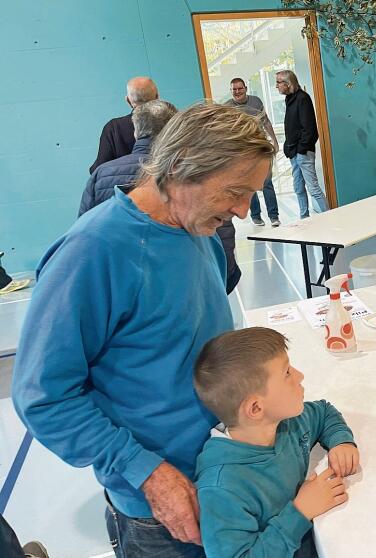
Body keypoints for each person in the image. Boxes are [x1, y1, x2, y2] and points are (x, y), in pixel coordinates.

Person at [13, 103, 275, 557]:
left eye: (251, 193)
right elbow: (43, 396)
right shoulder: (94, 251)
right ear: (178, 168)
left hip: (224, 478)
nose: (241, 209)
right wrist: (147, 472)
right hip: (162, 509)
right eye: (235, 191)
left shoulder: (200, 235)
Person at [193, 327, 358, 558]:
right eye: (287, 373)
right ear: (256, 408)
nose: (300, 375)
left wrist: (341, 441)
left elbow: (323, 412)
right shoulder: (222, 488)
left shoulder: (285, 423)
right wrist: (300, 512)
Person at [79, 99, 242, 294]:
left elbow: (85, 238)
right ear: (175, 129)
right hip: (188, 282)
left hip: (124, 287)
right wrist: (225, 278)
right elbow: (219, 229)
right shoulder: (191, 170)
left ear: (136, 131)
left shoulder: (102, 174)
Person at [225, 77, 281, 227]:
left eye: (240, 88)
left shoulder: (256, 101)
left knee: (267, 182)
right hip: (242, 152)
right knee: (249, 185)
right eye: (234, 89)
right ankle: (256, 215)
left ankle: (274, 216)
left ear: (245, 88)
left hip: (260, 148)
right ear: (231, 91)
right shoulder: (227, 107)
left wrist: (274, 141)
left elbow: (266, 121)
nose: (237, 92)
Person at [276, 70, 329, 218]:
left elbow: (310, 129)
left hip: (303, 153)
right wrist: (289, 148)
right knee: (298, 188)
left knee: (313, 188)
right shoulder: (290, 99)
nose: (276, 86)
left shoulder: (303, 98)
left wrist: (301, 149)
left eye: (279, 82)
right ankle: (303, 218)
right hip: (294, 152)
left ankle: (331, 217)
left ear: (287, 83)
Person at [89, 77, 158, 173]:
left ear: (128, 101)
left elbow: (99, 168)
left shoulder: (113, 127)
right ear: (157, 97)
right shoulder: (172, 123)